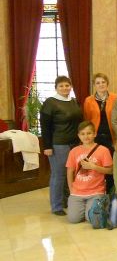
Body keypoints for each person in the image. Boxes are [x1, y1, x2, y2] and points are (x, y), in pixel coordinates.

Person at [40, 75, 83, 215]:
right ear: (56, 88)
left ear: (71, 87)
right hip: (58, 144)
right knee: (58, 175)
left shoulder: (73, 101)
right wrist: (47, 146)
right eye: (61, 86)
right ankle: (56, 206)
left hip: (74, 143)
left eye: (67, 85)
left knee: (70, 173)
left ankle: (66, 200)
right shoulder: (50, 103)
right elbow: (45, 127)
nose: (65, 88)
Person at [66, 121, 113, 224]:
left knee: (92, 219)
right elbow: (70, 171)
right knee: (73, 219)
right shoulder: (74, 151)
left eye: (89, 133)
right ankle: (85, 207)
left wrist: (94, 167)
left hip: (96, 191)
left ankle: (99, 205)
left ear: (95, 134)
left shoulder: (103, 150)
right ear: (78, 136)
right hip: (77, 192)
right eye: (82, 134)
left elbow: (111, 171)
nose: (86, 136)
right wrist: (71, 190)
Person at [83, 73, 117, 152]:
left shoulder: (115, 98)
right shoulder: (88, 100)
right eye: (98, 83)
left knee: (111, 160)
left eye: (103, 82)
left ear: (107, 83)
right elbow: (87, 120)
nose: (101, 85)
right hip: (95, 135)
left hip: (111, 136)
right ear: (94, 85)